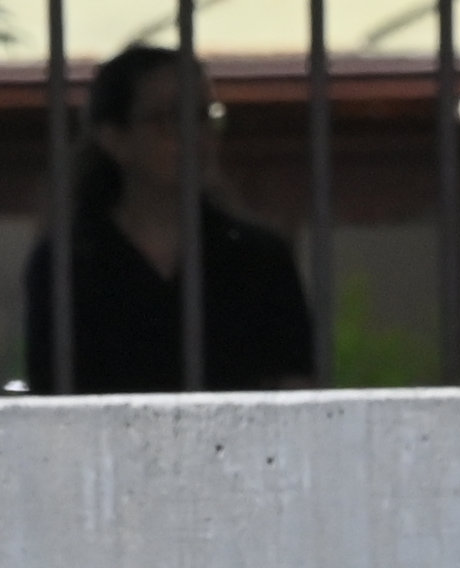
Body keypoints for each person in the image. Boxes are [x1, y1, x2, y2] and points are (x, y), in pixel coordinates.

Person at [22, 46, 313, 394]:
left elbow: (296, 389)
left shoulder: (260, 258)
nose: (195, 136)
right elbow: (52, 404)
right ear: (115, 138)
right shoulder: (67, 264)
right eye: (169, 119)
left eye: (204, 116)